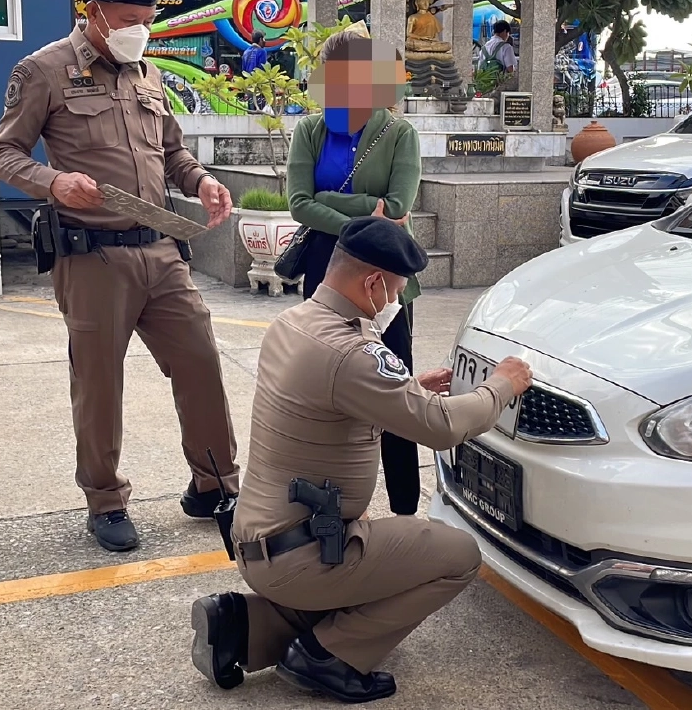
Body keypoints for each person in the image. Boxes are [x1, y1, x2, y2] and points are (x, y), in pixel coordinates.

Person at [189, 216, 533, 703]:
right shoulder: (353, 352)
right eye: (394, 290)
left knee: (379, 563)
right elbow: (442, 428)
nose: (394, 301)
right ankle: (328, 657)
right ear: (372, 282)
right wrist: (503, 384)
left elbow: (331, 397)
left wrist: (410, 390)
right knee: (456, 556)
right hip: (305, 554)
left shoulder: (293, 324)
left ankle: (244, 626)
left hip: (263, 541)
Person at [0, 0, 241, 553]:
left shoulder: (145, 72)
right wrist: (52, 182)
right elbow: (4, 153)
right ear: (94, 12)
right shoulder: (45, 70)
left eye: (148, 22)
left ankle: (215, 484)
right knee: (100, 384)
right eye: (130, 21)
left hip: (161, 248)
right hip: (93, 258)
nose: (140, 32)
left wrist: (201, 180)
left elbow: (173, 151)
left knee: (201, 363)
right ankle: (104, 500)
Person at [285, 25, 427, 517]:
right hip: (325, 273)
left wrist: (333, 203)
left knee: (394, 386)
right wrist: (366, 214)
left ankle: (406, 507)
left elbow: (401, 204)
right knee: (324, 383)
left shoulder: (398, 132)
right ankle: (328, 503)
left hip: (386, 278)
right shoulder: (310, 130)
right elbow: (299, 204)